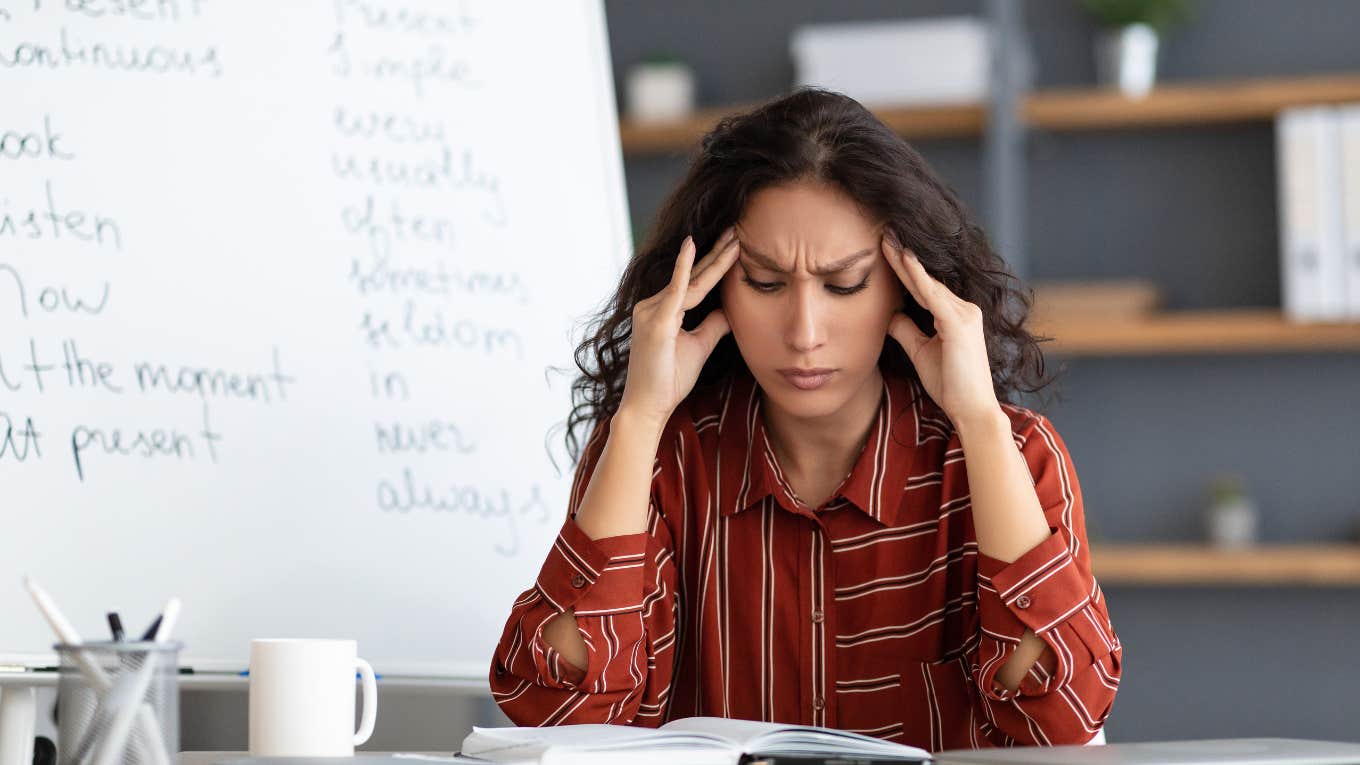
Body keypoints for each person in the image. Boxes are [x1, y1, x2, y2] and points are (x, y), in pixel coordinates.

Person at [487, 87, 1121, 750]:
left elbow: (1060, 723)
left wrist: (980, 420)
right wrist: (642, 414)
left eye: (844, 284)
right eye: (764, 282)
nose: (804, 331)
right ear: (712, 285)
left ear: (908, 286)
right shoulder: (658, 457)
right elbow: (559, 714)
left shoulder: (1011, 454)